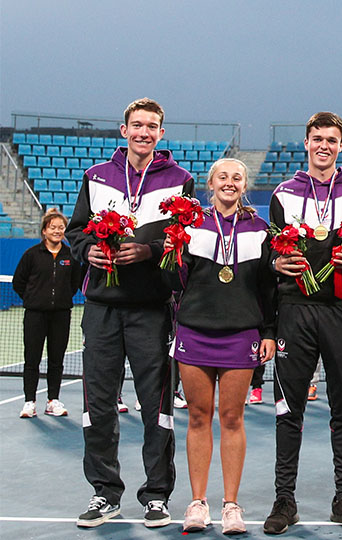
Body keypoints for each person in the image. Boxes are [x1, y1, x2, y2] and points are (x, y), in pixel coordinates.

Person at [65, 97, 193, 528]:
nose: (144, 132)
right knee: (98, 403)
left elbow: (186, 241)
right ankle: (105, 491)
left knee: (155, 405)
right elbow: (76, 230)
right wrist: (89, 253)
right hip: (101, 307)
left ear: (161, 132)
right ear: (124, 130)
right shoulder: (96, 176)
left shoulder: (181, 180)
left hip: (152, 310)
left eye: (152, 126)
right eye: (137, 125)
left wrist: (151, 250)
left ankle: (156, 494)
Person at [264, 112, 342, 534]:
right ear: (306, 143)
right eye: (317, 138)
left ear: (341, 145)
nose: (324, 146)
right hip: (294, 310)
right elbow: (269, 257)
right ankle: (284, 500)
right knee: (288, 410)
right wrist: (278, 263)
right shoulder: (283, 193)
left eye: (331, 139)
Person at [162, 158, 277, 534]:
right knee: (198, 417)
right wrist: (170, 249)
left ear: (245, 186)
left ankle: (231, 505)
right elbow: (173, 281)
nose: (230, 183)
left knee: (232, 418)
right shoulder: (189, 224)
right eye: (223, 177)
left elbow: (268, 287)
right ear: (210, 185)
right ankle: (197, 503)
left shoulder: (260, 229)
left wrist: (270, 332)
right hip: (194, 331)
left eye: (237, 178)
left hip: (241, 335)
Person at [13, 208, 83, 418]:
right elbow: (19, 282)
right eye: (53, 227)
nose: (57, 231)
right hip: (35, 315)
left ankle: (53, 401)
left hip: (61, 315)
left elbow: (74, 284)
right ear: (44, 230)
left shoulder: (70, 255)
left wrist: (60, 300)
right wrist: (33, 300)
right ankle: (29, 402)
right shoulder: (31, 255)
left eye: (61, 228)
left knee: (56, 360)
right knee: (32, 359)